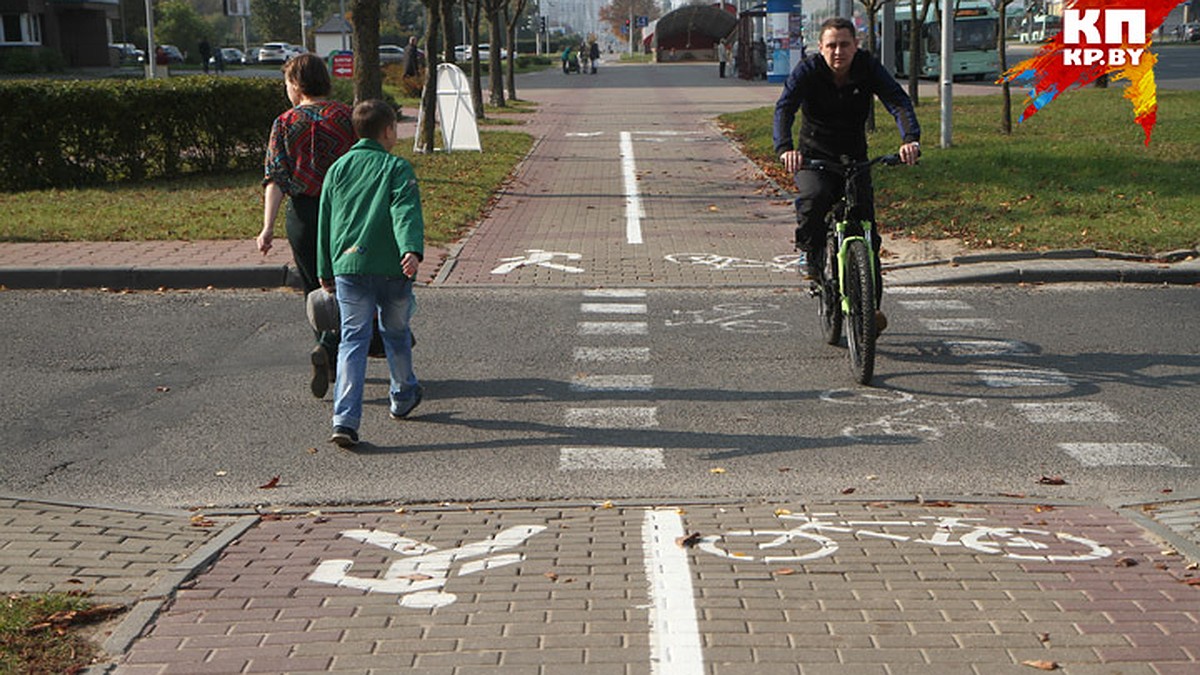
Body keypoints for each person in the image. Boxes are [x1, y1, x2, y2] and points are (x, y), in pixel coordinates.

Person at [773, 16, 920, 330]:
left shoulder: (867, 67)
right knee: (816, 197)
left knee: (868, 232)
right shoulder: (808, 71)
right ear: (821, 48)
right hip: (814, 156)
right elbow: (785, 107)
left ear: (856, 46)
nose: (838, 51)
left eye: (844, 45)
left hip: (854, 156)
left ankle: (870, 309)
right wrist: (785, 148)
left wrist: (910, 139)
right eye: (831, 45)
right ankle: (811, 254)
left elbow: (897, 100)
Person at [317, 100, 425, 448]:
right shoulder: (397, 168)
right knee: (395, 332)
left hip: (349, 267)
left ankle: (344, 419)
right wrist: (411, 248)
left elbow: (326, 221)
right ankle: (404, 392)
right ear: (388, 130)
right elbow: (404, 209)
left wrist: (324, 267)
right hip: (393, 266)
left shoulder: (338, 169)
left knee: (353, 340)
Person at [259, 54, 356, 399]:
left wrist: (267, 227)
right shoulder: (347, 117)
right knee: (347, 284)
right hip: (345, 214)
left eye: (287, 82)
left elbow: (276, 178)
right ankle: (336, 351)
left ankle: (323, 348)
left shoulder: (284, 123)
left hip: (303, 215)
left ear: (297, 85)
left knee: (313, 287)